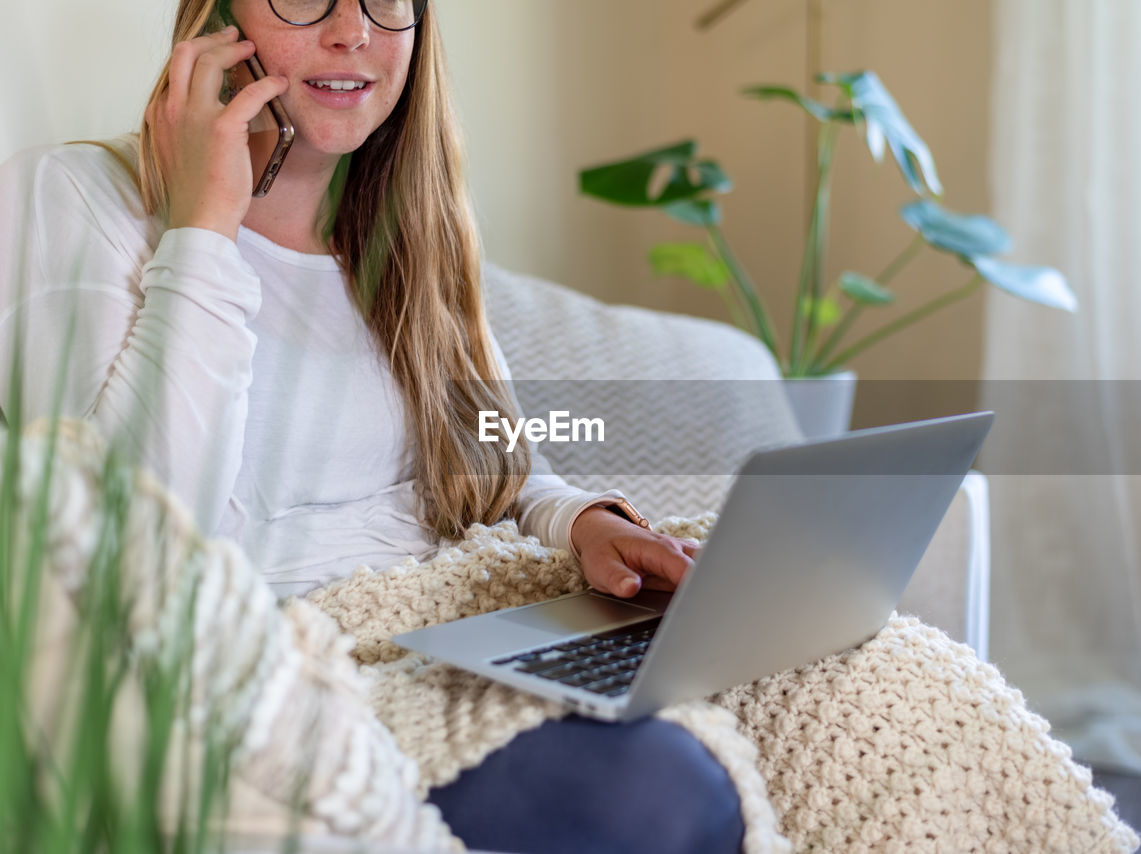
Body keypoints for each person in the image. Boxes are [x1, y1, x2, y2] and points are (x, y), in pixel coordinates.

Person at [0, 0, 744, 851]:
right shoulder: (69, 196)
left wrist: (584, 521)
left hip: (450, 635)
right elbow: (127, 545)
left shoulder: (412, 240)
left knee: (869, 683)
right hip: (282, 691)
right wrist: (202, 229)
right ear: (214, 18)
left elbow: (499, 461)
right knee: (658, 788)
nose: (353, 31)